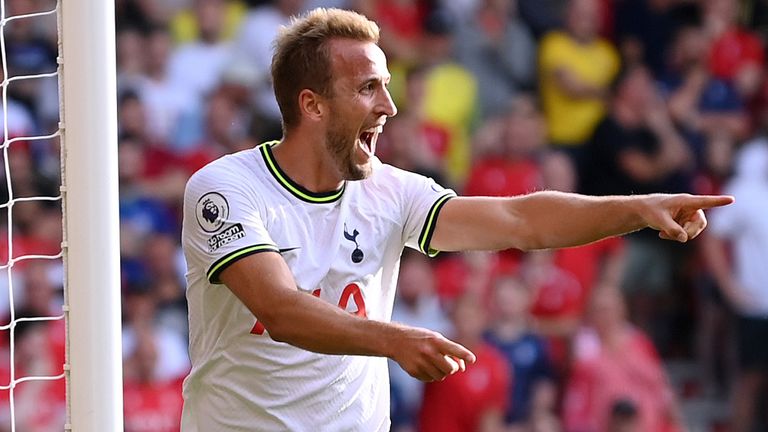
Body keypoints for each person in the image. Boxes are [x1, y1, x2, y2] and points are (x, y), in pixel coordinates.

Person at [180, 8, 732, 430]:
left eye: (388, 86)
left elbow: (521, 220)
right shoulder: (224, 190)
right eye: (367, 88)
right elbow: (280, 310)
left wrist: (636, 208)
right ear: (313, 105)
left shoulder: (391, 190)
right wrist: (395, 341)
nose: (388, 107)